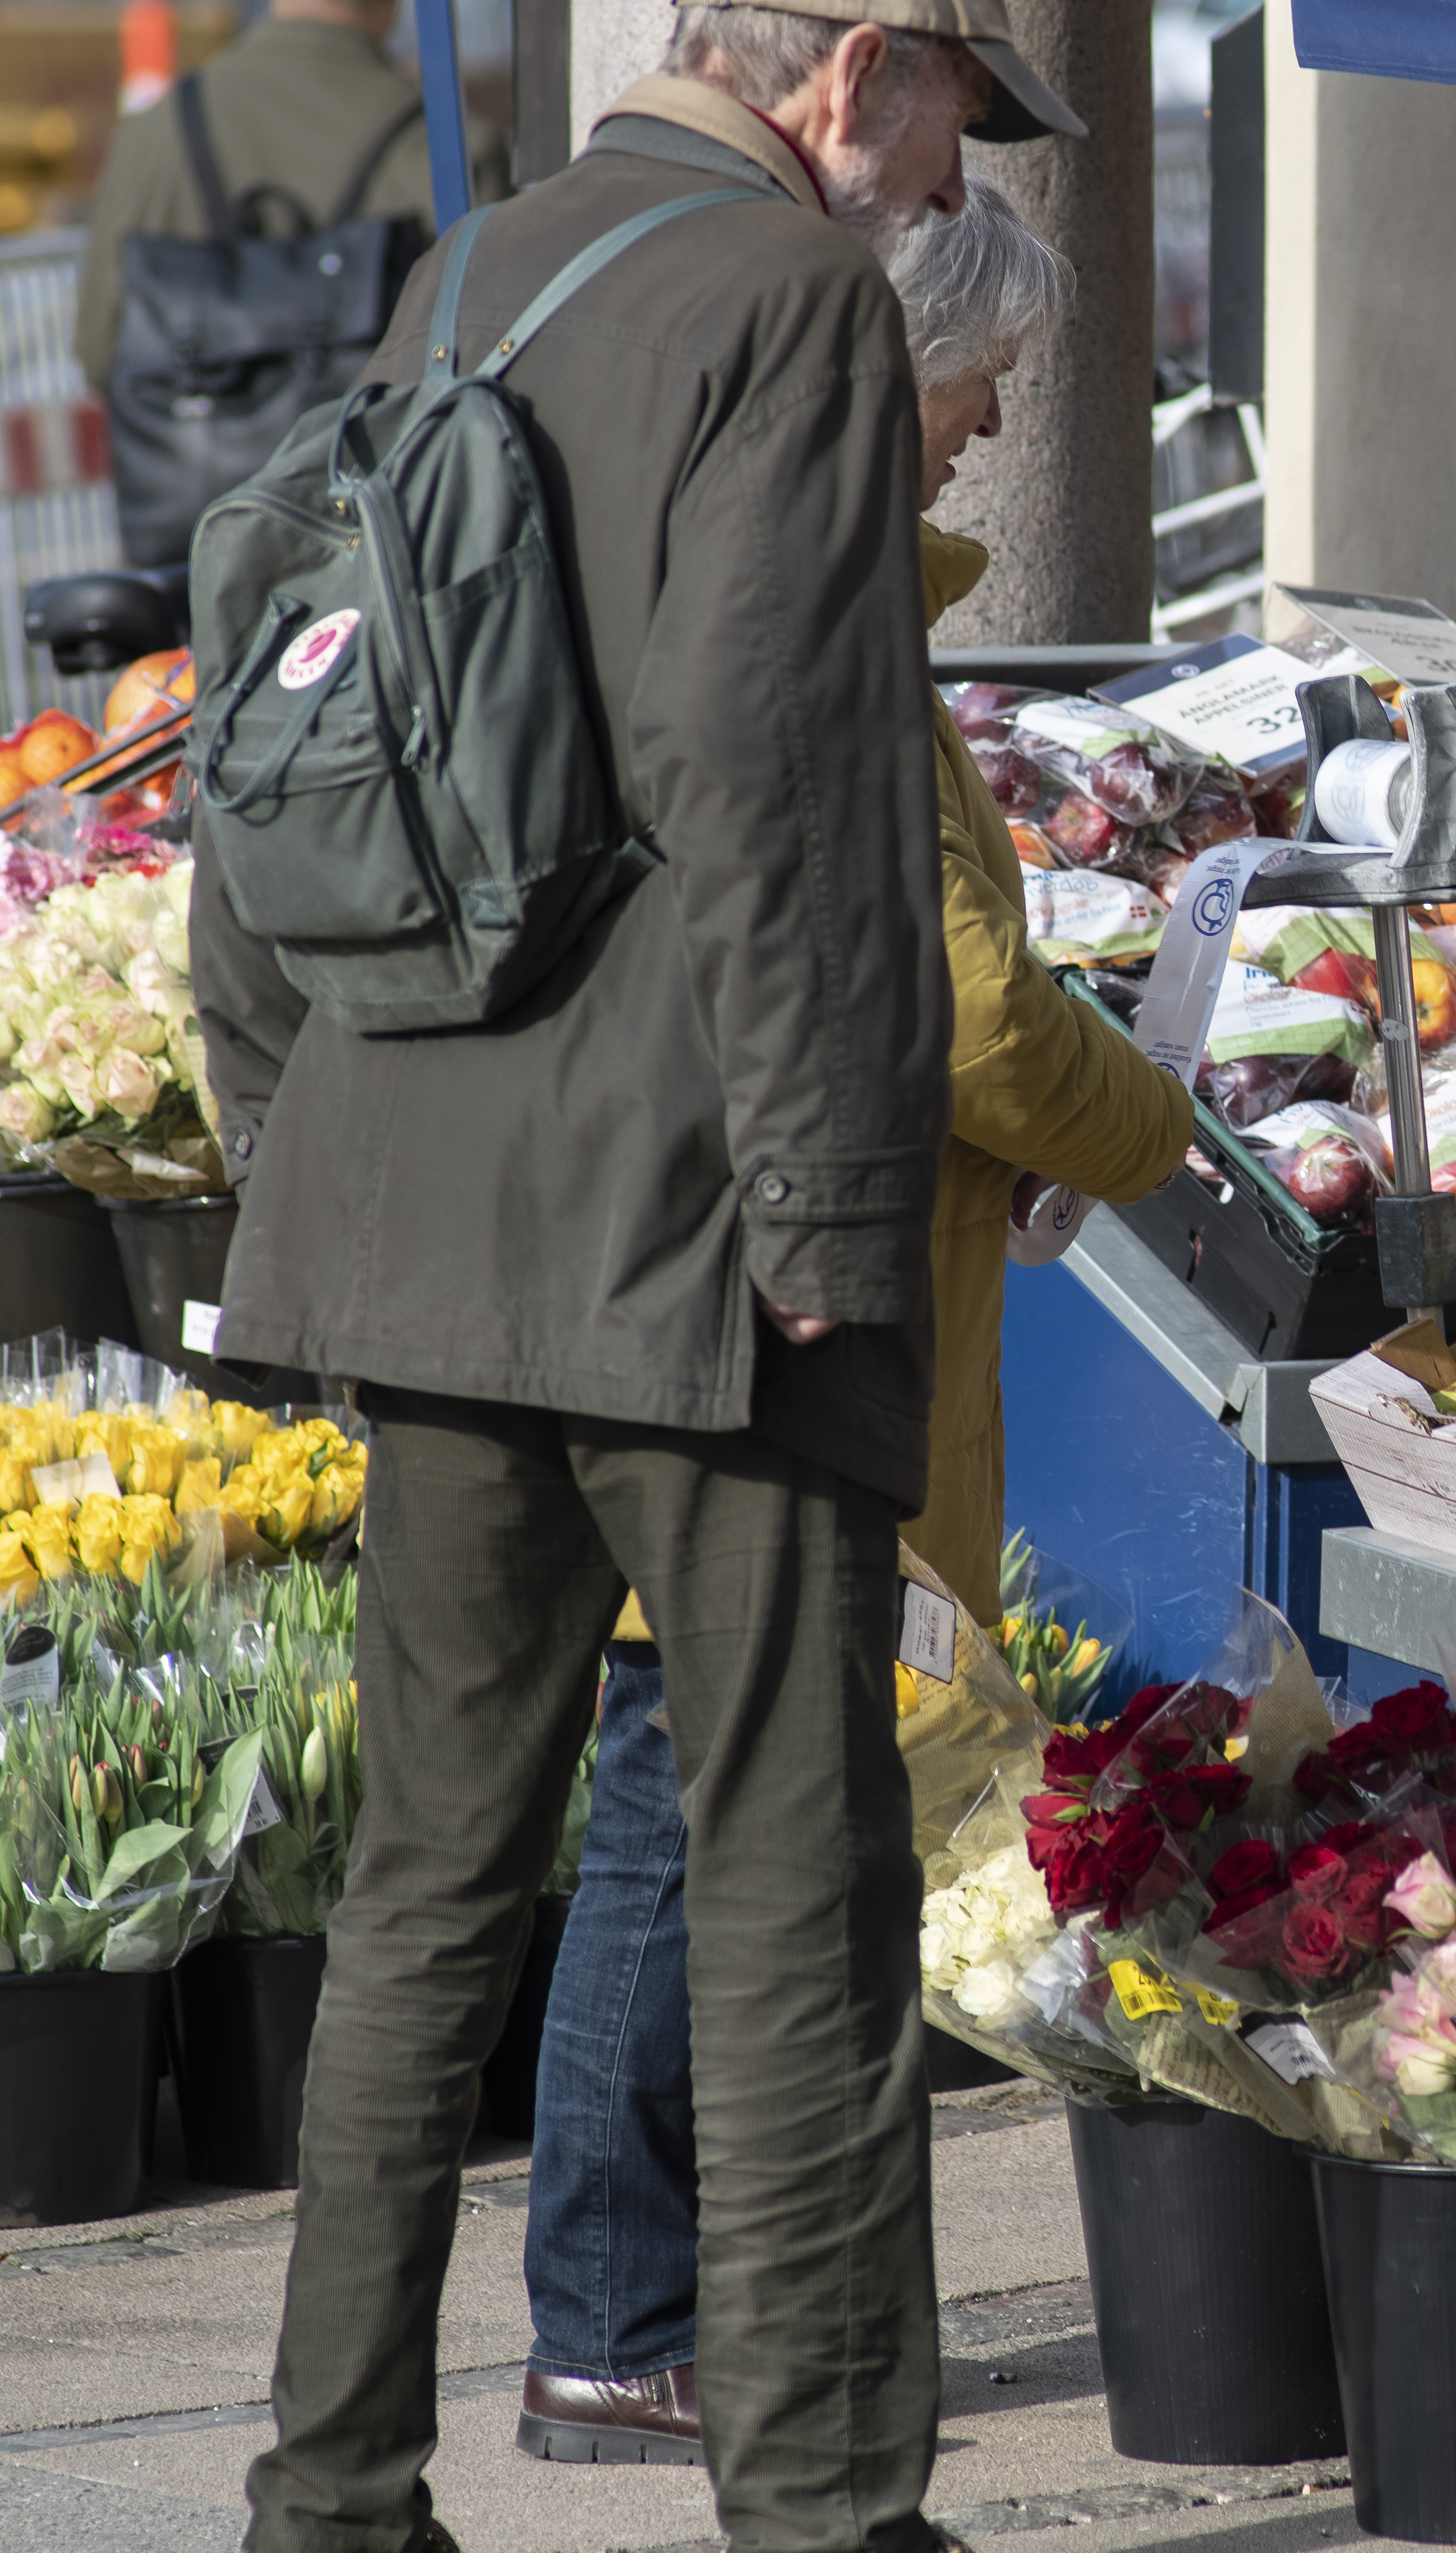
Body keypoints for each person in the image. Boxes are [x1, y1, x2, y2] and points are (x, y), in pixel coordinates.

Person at [199, 0, 1082, 2553]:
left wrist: (285, 1132)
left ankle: (331, 2493)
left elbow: (284, 720)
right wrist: (827, 1207)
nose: (938, 192)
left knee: (424, 1892)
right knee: (795, 1886)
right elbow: (766, 776)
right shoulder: (792, 294)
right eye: (945, 131)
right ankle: (823, 2504)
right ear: (844, 77)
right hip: (697, 1230)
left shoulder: (473, 264)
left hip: (421, 1187)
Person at [516, 183, 1198, 2469]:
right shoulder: (816, 613)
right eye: (977, 380)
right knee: (689, 1816)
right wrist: (1146, 1122)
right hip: (775, 1328)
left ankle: (673, 2304)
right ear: (886, 376)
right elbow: (971, 1011)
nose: (993, 424)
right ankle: (623, 2318)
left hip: (724, 1288)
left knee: (700, 1809)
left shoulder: (746, 571)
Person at [67, 0, 486, 390]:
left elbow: (99, 351)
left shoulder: (154, 134)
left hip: (202, 444)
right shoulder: (453, 150)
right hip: (381, 442)